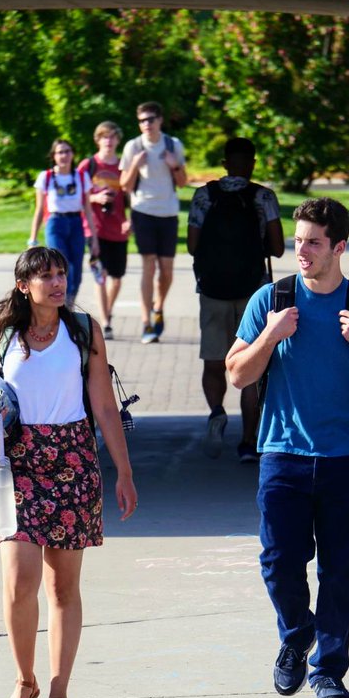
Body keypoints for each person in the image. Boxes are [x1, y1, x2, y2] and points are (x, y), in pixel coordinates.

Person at [225, 197, 349, 698]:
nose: (302, 251)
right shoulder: (271, 300)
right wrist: (270, 336)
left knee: (341, 571)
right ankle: (298, 634)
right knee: (278, 562)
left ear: (339, 246)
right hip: (282, 453)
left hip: (347, 457)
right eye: (297, 242)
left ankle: (329, 671)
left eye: (313, 242)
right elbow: (237, 375)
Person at [0, 246, 137, 698]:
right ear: (24, 285)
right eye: (45, 276)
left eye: (62, 274)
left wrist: (124, 472)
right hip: (17, 460)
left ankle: (59, 694)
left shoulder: (83, 331)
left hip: (73, 459)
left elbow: (104, 407)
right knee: (19, 581)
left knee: (63, 587)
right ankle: (24, 680)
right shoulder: (1, 332)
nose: (57, 282)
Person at [186, 137, 284, 463]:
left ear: (226, 162)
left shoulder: (204, 196)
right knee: (252, 364)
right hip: (253, 291)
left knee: (214, 359)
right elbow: (279, 246)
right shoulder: (263, 197)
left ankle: (216, 411)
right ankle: (248, 441)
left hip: (212, 289)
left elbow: (191, 244)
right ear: (252, 163)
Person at [119, 101, 187, 345]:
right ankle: (146, 322)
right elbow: (124, 185)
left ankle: (159, 307)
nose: (146, 124)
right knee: (149, 265)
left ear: (160, 120)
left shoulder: (173, 145)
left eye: (150, 119)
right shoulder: (133, 147)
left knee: (166, 270)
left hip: (168, 213)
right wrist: (135, 166)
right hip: (142, 211)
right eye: (142, 120)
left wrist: (174, 164)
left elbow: (182, 182)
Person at [29, 139, 99, 305]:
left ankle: (68, 304)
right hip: (55, 222)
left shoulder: (82, 177)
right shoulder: (45, 177)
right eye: (60, 152)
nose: (64, 156)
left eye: (67, 151)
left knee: (76, 271)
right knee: (58, 265)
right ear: (53, 155)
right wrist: (33, 239)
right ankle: (58, 304)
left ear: (73, 154)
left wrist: (94, 238)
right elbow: (39, 209)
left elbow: (88, 209)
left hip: (76, 223)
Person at [78, 121, 129, 340]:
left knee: (116, 278)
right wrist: (96, 197)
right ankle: (106, 321)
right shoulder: (88, 165)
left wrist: (131, 220)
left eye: (112, 137)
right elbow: (75, 195)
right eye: (104, 137)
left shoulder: (123, 166)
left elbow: (131, 195)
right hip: (95, 230)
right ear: (97, 140)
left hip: (119, 227)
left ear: (118, 140)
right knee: (101, 276)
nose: (108, 141)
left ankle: (107, 312)